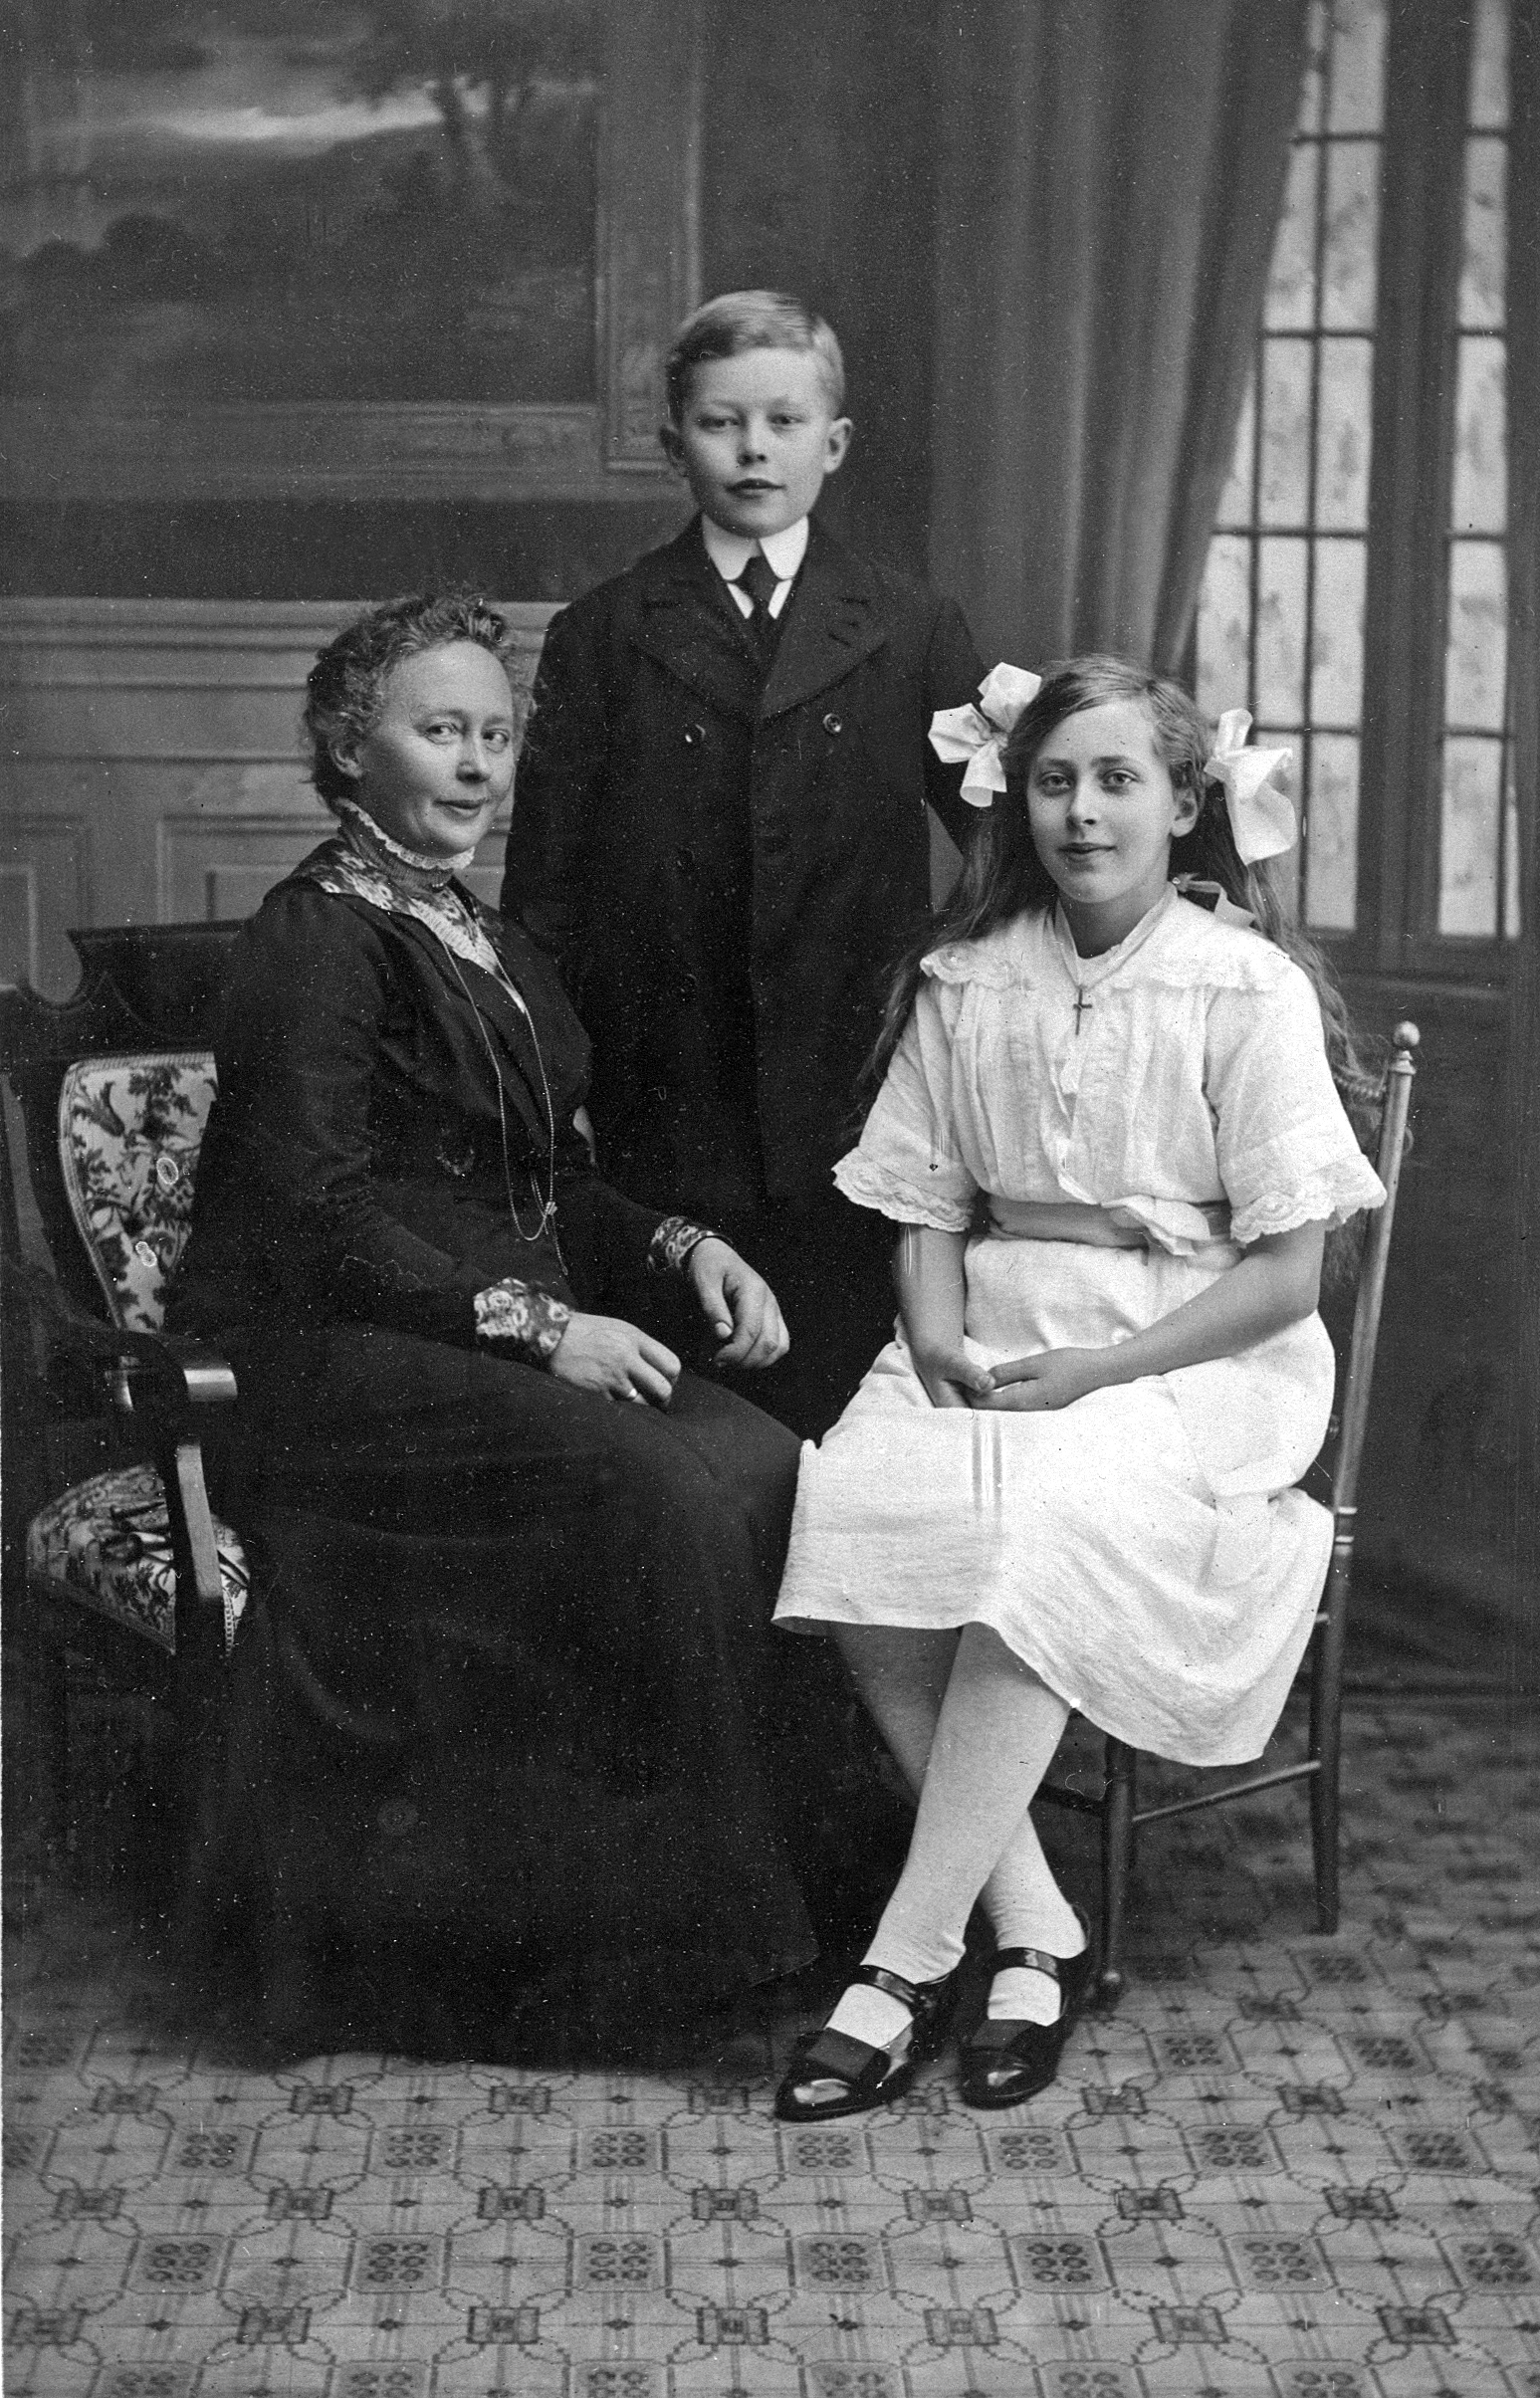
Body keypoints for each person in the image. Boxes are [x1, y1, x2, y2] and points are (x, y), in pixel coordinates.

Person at [168, 591, 826, 2062]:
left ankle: (786, 1913)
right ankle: (662, 1964)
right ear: (351, 749)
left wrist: (683, 1245)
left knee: (771, 1466)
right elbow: (313, 1214)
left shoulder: (483, 935)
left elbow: (550, 1184)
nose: (475, 764)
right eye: (437, 731)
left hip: (476, 1345)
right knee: (659, 1492)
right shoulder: (317, 938)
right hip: (330, 1366)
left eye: (495, 734)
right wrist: (534, 1329)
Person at [769, 655, 1388, 2120]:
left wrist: (1097, 1374)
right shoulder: (969, 978)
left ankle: (903, 1960)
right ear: (1016, 799)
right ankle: (1034, 1924)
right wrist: (933, 1341)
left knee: (1037, 1519)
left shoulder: (1238, 985)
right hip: (995, 1329)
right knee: (852, 1492)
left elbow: (1285, 1279)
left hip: (1190, 1354)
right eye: (1054, 781)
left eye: (1117, 781)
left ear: (1182, 804)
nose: (1082, 812)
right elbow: (924, 1202)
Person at [500, 289, 984, 1439]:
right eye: (721, 423)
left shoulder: (910, 627)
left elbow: (997, 851)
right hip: (666, 1102)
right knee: (694, 1430)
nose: (753, 449)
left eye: (782, 421)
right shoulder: (603, 633)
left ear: (835, 442)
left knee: (845, 1408)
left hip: (854, 1100)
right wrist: (556, 1104)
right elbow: (541, 903)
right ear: (674, 444)